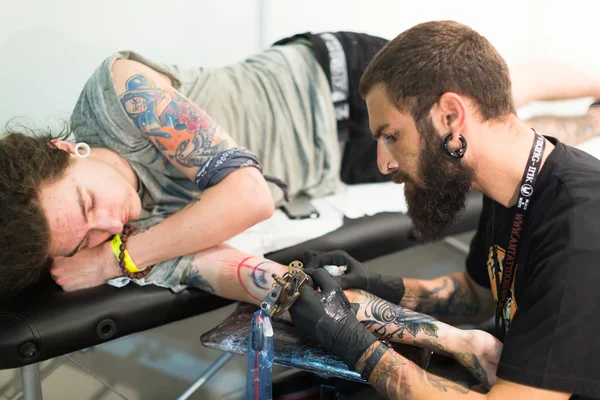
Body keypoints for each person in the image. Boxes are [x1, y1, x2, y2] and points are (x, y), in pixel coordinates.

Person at [0, 27, 599, 390]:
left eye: (87, 202)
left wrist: (114, 259)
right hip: (330, 163)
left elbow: (249, 195)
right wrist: (452, 339)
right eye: (82, 242)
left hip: (325, 84)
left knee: (500, 99)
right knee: (511, 140)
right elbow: (284, 287)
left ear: (64, 149)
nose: (109, 226)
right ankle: (592, 120)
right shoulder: (138, 240)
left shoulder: (116, 94)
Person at [291, 20, 600, 399]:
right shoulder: (514, 185)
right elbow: (477, 294)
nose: (384, 163)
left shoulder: (579, 231)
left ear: (451, 117)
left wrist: (357, 348)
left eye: (392, 136)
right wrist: (377, 285)